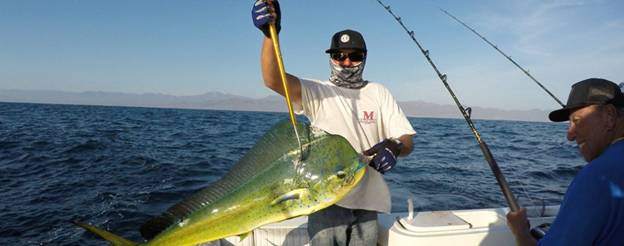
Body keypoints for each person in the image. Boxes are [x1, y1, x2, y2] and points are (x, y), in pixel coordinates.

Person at [252, 1, 416, 245]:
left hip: (368, 202)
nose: (346, 62)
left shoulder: (379, 92)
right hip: (325, 201)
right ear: (331, 58)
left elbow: (407, 140)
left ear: (365, 58)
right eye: (339, 56)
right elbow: (273, 79)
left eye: (354, 56)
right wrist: (269, 35)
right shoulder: (316, 91)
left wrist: (395, 146)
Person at [506, 78, 624, 245]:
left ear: (610, 116)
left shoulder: (598, 176)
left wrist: (521, 233)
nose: (570, 135)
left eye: (577, 121)